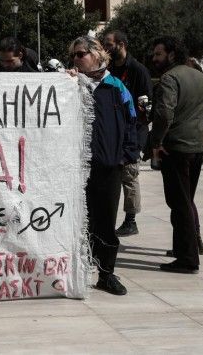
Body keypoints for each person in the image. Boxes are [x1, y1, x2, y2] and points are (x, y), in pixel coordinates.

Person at [68, 36, 137, 296]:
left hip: (109, 168)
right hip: (77, 170)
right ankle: (77, 271)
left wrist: (126, 155)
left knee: (106, 223)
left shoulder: (116, 87)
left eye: (81, 53)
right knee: (77, 223)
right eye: (74, 55)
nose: (76, 58)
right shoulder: (70, 85)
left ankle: (106, 274)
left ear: (98, 54)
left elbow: (133, 123)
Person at [148, 36, 203, 274]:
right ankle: (183, 251)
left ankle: (188, 258)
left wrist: (156, 141)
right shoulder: (200, 77)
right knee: (185, 201)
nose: (154, 58)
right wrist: (202, 130)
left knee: (179, 203)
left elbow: (164, 114)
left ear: (171, 54)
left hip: (175, 148)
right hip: (197, 148)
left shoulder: (170, 78)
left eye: (158, 54)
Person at [102, 30, 153, 238]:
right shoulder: (110, 69)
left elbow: (147, 103)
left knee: (130, 175)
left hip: (133, 130)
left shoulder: (138, 70)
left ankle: (131, 220)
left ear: (121, 44)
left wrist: (137, 129)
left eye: (109, 44)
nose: (106, 48)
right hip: (114, 129)